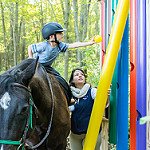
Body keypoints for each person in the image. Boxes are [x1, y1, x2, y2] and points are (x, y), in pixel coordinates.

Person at [28, 22, 96, 104]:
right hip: (36, 65)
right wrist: (31, 58)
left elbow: (74, 45)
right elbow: (30, 48)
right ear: (52, 36)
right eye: (60, 33)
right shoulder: (44, 46)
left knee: (61, 81)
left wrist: (89, 43)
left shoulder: (60, 45)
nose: (62, 35)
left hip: (47, 67)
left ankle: (68, 99)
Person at [69, 68, 110, 150]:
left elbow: (102, 103)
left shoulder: (92, 91)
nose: (80, 76)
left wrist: (106, 96)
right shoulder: (69, 94)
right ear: (72, 80)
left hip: (92, 132)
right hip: (75, 134)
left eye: (82, 74)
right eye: (77, 75)